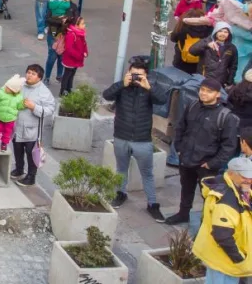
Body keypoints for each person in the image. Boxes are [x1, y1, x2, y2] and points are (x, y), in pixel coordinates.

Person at [164, 78, 240, 225]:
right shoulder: (193, 105)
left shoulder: (225, 116)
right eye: (202, 90)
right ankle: (183, 214)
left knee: (208, 196)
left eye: (209, 91)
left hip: (206, 165)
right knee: (186, 188)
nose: (204, 93)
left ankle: (207, 222)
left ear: (218, 94)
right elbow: (180, 127)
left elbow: (229, 146)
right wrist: (179, 149)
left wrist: (212, 164)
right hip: (186, 158)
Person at [103, 59, 167, 221]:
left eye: (139, 75)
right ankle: (120, 193)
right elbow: (107, 95)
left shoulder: (149, 88)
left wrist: (149, 87)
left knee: (147, 173)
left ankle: (152, 204)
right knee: (121, 169)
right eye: (133, 74)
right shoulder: (122, 86)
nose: (135, 78)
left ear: (146, 75)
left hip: (142, 140)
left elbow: (163, 100)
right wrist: (122, 84)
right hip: (121, 136)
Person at [193, 156, 252, 283]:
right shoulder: (226, 202)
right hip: (225, 261)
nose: (248, 180)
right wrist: (240, 259)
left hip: (226, 260)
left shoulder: (240, 189)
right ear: (231, 174)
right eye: (244, 176)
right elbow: (222, 235)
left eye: (250, 176)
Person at [11, 65, 56, 187]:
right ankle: (19, 169)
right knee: (17, 149)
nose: (29, 75)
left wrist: (34, 107)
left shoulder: (44, 92)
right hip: (18, 126)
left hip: (33, 130)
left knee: (32, 154)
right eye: (28, 72)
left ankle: (31, 176)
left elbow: (50, 109)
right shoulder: (21, 85)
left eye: (33, 74)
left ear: (39, 77)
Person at [189, 21, 240, 86]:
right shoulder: (206, 41)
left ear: (229, 34)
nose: (223, 34)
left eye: (226, 32)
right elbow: (192, 51)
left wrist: (229, 81)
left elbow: (233, 66)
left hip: (219, 82)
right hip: (203, 78)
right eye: (220, 31)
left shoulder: (232, 48)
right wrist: (206, 45)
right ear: (215, 32)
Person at [0, 75, 25, 152]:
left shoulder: (19, 97)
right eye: (6, 86)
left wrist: (23, 104)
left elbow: (19, 106)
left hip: (10, 118)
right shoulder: (1, 92)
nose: (6, 88)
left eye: (8, 88)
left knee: (7, 132)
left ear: (14, 90)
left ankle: (4, 143)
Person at [59, 16, 88, 95]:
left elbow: (84, 44)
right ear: (76, 25)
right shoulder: (71, 35)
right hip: (70, 60)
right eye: (82, 24)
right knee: (67, 75)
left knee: (72, 75)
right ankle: (62, 91)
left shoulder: (80, 33)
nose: (84, 25)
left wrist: (85, 52)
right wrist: (79, 55)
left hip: (76, 59)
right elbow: (69, 49)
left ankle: (69, 89)